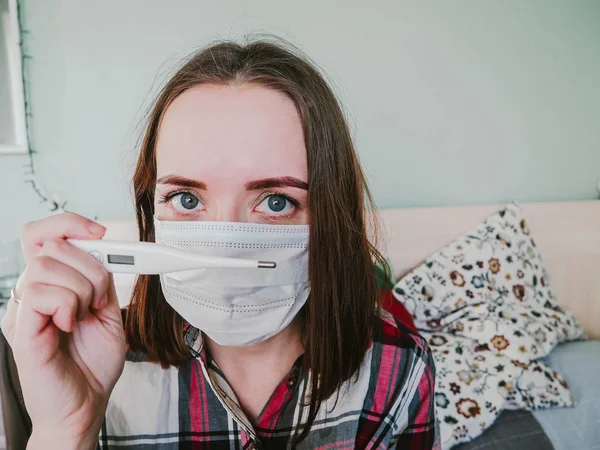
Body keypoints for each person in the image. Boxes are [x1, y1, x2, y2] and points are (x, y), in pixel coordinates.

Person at [1, 39, 439, 449]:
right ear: (150, 208)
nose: (226, 250)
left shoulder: (397, 366)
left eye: (276, 201)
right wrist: (68, 427)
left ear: (329, 214)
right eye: (187, 199)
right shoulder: (89, 363)